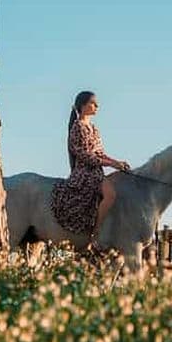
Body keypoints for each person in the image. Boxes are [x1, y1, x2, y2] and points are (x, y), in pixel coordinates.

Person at [50, 91, 130, 243]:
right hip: (84, 173)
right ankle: (96, 232)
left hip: (97, 171)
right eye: (93, 103)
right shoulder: (77, 127)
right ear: (83, 105)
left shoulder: (94, 129)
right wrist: (113, 164)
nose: (97, 106)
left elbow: (100, 153)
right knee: (110, 194)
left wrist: (117, 163)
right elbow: (85, 155)